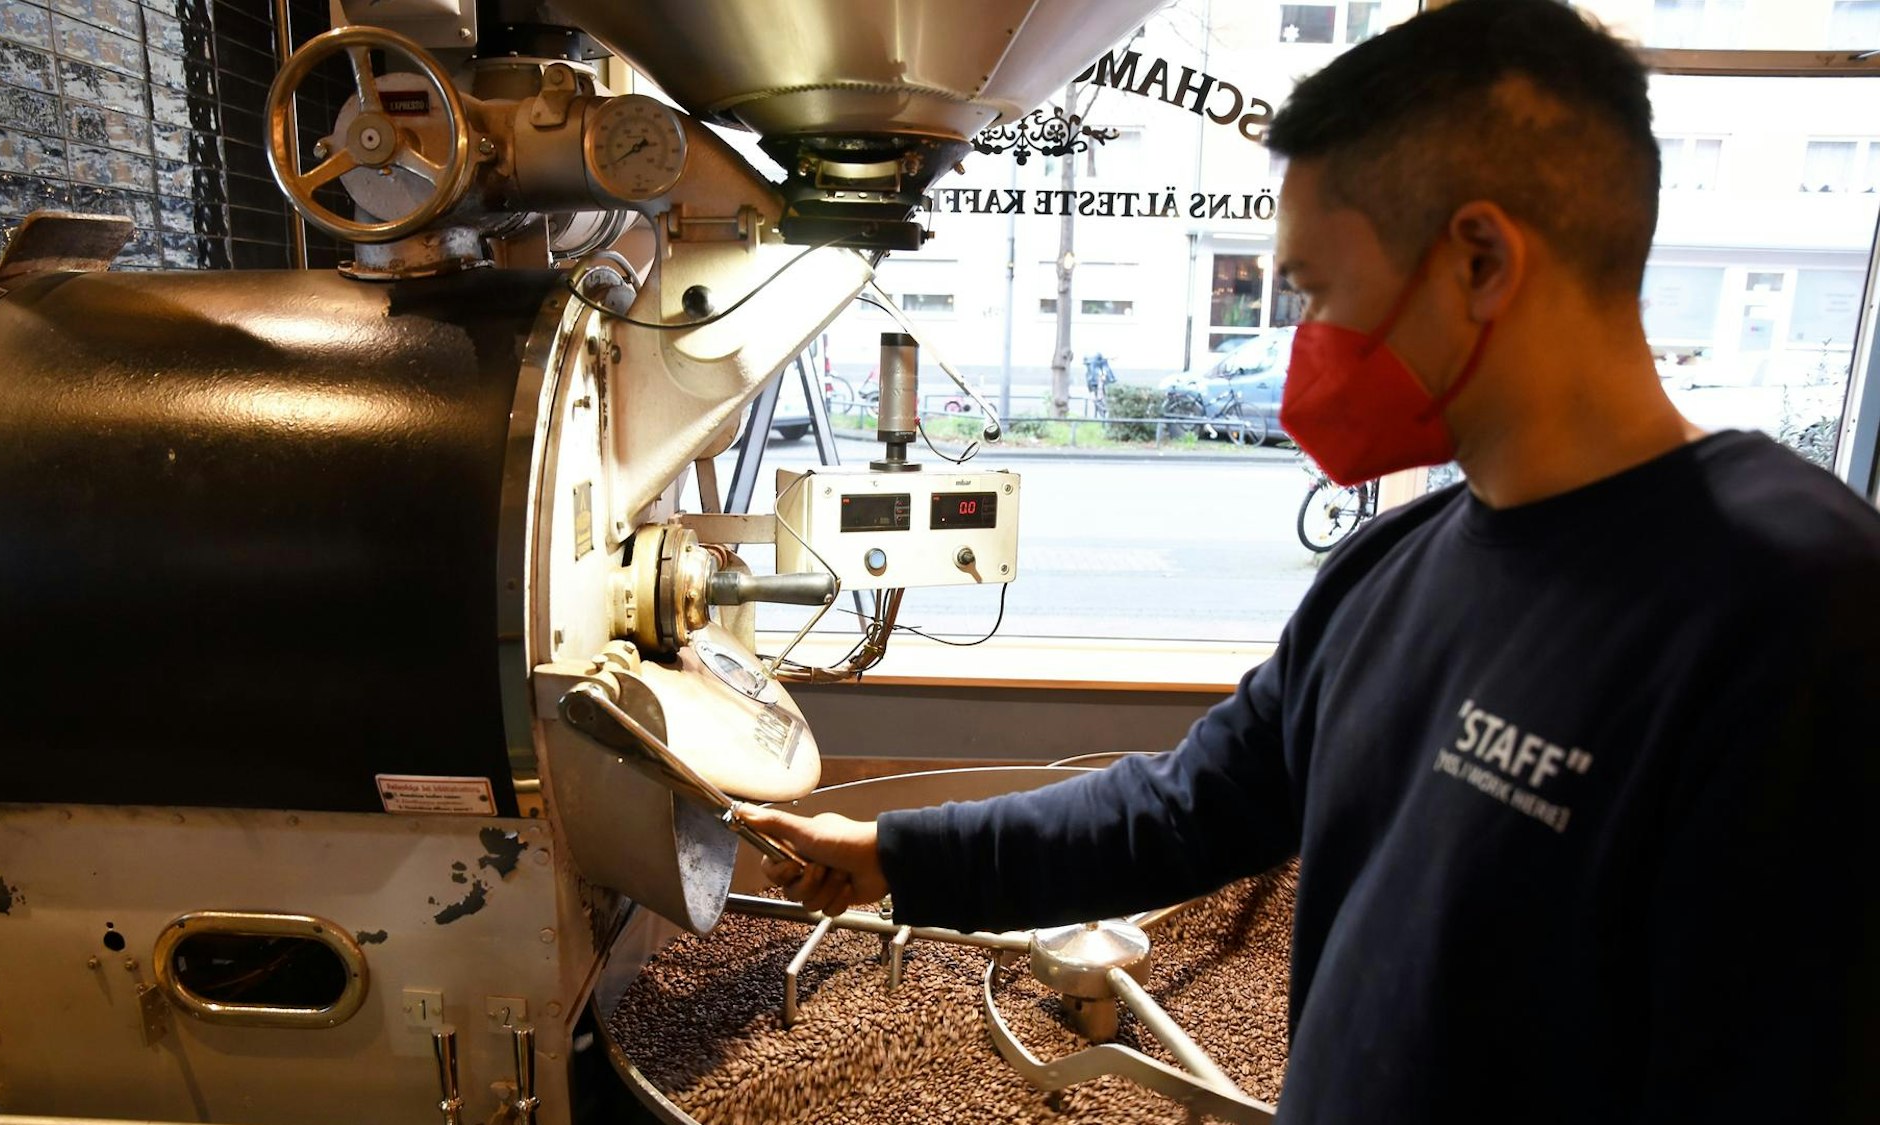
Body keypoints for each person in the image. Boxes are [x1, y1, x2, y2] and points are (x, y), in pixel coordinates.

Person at [742, 2, 1880, 1121]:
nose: (1302, 349)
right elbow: (1185, 812)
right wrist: (891, 852)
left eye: (1318, 294)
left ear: (1478, 260)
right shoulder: (1392, 566)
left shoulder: (1793, 609)